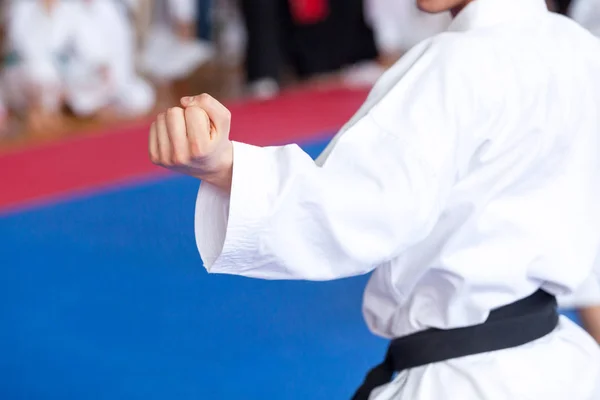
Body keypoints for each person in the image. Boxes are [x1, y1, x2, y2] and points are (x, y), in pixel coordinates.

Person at [149, 0, 600, 398]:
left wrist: (225, 166)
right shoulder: (584, 52)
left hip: (461, 383)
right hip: (563, 367)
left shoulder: (456, 64)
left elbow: (355, 208)